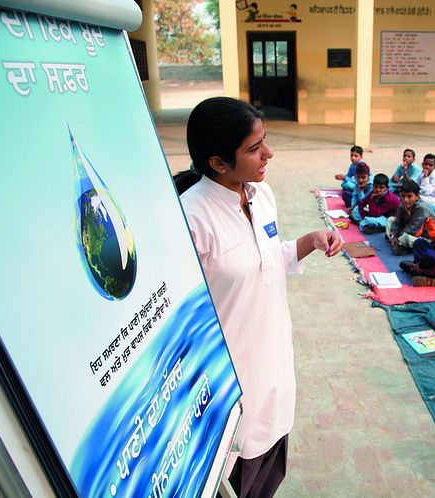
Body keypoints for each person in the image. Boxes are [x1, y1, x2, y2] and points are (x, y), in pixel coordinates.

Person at [181, 97, 342, 498]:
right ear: (218, 163)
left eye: (264, 141)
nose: (268, 153)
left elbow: (264, 262)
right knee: (238, 482)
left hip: (276, 375)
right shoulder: (190, 219)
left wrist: (307, 241)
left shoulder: (260, 195)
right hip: (232, 392)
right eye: (254, 149)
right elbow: (181, 321)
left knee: (269, 475)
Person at [386, 180, 435, 255]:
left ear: (417, 196)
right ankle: (398, 243)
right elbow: (397, 222)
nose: (405, 199)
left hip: (429, 238)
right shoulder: (402, 205)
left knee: (405, 238)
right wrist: (394, 235)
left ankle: (403, 245)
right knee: (390, 220)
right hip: (412, 232)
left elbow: (413, 229)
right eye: (403, 196)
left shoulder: (422, 208)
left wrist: (398, 237)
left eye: (409, 196)